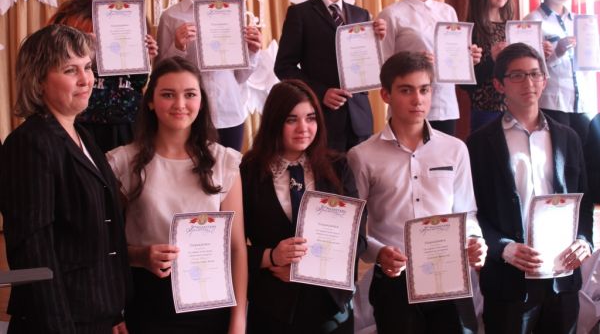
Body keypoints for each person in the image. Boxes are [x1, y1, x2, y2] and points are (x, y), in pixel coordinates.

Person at [0, 24, 131, 333]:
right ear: (39, 80)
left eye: (87, 67)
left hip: (97, 312)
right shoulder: (30, 142)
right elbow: (32, 250)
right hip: (58, 322)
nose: (86, 79)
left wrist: (115, 310)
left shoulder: (83, 136)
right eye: (70, 70)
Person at [347, 51, 486, 334]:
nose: (417, 99)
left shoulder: (455, 149)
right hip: (394, 278)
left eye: (424, 90)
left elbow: (466, 211)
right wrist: (378, 252)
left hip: (449, 273)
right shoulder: (362, 156)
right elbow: (354, 227)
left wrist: (475, 239)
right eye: (406, 90)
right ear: (385, 95)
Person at [107, 56, 247, 333]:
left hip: (211, 300)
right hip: (146, 300)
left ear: (201, 101)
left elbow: (236, 248)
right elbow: (105, 244)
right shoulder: (122, 162)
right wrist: (140, 256)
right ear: (150, 101)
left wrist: (238, 320)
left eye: (190, 94)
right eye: (168, 94)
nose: (180, 104)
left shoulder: (224, 162)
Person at [466, 43, 593, 334]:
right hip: (508, 278)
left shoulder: (569, 138)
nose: (529, 82)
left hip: (562, 275)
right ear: (499, 84)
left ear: (545, 80)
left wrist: (584, 240)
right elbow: (473, 210)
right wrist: (503, 248)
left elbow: (583, 203)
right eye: (518, 75)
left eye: (535, 74)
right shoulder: (479, 144)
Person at [240, 79, 367, 333]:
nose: (303, 128)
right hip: (272, 306)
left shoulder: (338, 167)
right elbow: (233, 247)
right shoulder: (249, 171)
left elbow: (358, 242)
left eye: (311, 118)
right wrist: (271, 256)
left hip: (329, 305)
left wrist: (306, 271)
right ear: (274, 122)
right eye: (291, 120)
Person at [274, 0, 386, 152]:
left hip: (360, 117)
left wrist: (379, 40)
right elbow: (283, 67)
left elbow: (369, 66)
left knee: (360, 174)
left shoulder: (361, 15)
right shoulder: (300, 14)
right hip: (323, 119)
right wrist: (320, 92)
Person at [156, 0, 262, 151]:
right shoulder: (171, 17)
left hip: (229, 114)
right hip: (189, 116)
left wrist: (252, 52)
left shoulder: (231, 14)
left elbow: (240, 77)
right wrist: (177, 47)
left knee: (229, 171)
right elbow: (160, 75)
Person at [51, 0, 158, 153]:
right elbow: (52, 64)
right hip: (82, 119)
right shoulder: (70, 14)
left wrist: (148, 59)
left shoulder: (136, 16)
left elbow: (138, 83)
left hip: (127, 121)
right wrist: (83, 49)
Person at [378, 0, 482, 136]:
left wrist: (468, 59)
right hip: (409, 106)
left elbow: (455, 60)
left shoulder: (447, 11)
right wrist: (413, 62)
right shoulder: (392, 14)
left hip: (445, 105)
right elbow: (384, 66)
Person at [524, 0, 597, 144]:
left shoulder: (580, 21)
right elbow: (528, 66)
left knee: (586, 155)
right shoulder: (533, 21)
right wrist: (558, 51)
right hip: (553, 103)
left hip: (581, 102)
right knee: (560, 154)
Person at [464, 0, 514, 132]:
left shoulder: (513, 27)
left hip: (514, 108)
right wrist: (492, 60)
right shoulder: (471, 30)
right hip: (485, 110)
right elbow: (466, 84)